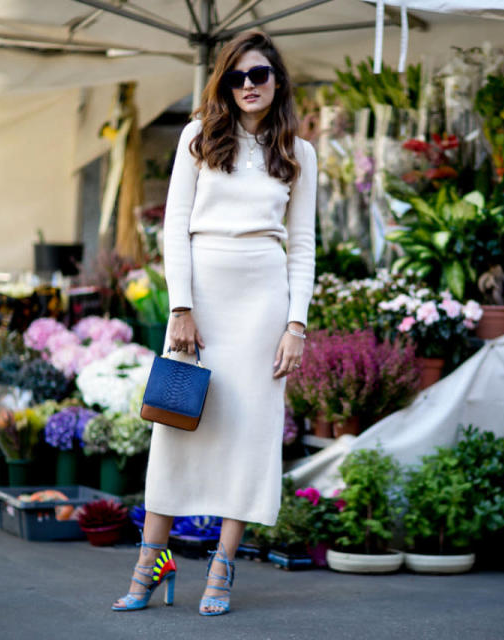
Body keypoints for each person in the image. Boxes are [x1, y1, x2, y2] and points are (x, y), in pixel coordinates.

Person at [111, 30, 316, 616]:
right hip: (203, 294)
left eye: (260, 76)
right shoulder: (199, 137)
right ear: (224, 83)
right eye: (238, 77)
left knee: (249, 436)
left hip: (263, 303)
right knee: (176, 428)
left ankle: (222, 569)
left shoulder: (300, 153)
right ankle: (152, 560)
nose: (249, 86)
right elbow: (174, 226)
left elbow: (302, 245)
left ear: (277, 83)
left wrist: (295, 326)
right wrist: (180, 306)